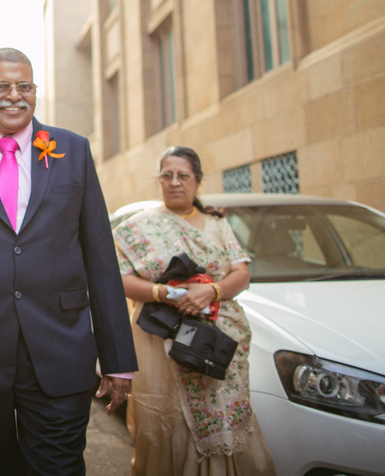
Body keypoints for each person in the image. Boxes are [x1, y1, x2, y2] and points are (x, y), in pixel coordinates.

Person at [0, 47, 137, 476]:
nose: (14, 96)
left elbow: (99, 254)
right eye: (1, 86)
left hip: (61, 345)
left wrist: (118, 360)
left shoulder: (72, 149)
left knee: (59, 468)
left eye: (24, 86)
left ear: (35, 91)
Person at [112, 146, 276, 475]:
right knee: (166, 419)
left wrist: (211, 291)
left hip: (218, 340)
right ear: (159, 180)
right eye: (167, 175)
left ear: (196, 181)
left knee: (226, 417)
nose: (174, 182)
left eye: (183, 175)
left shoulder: (217, 224)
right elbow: (115, 279)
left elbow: (241, 274)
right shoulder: (139, 227)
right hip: (160, 343)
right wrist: (163, 292)